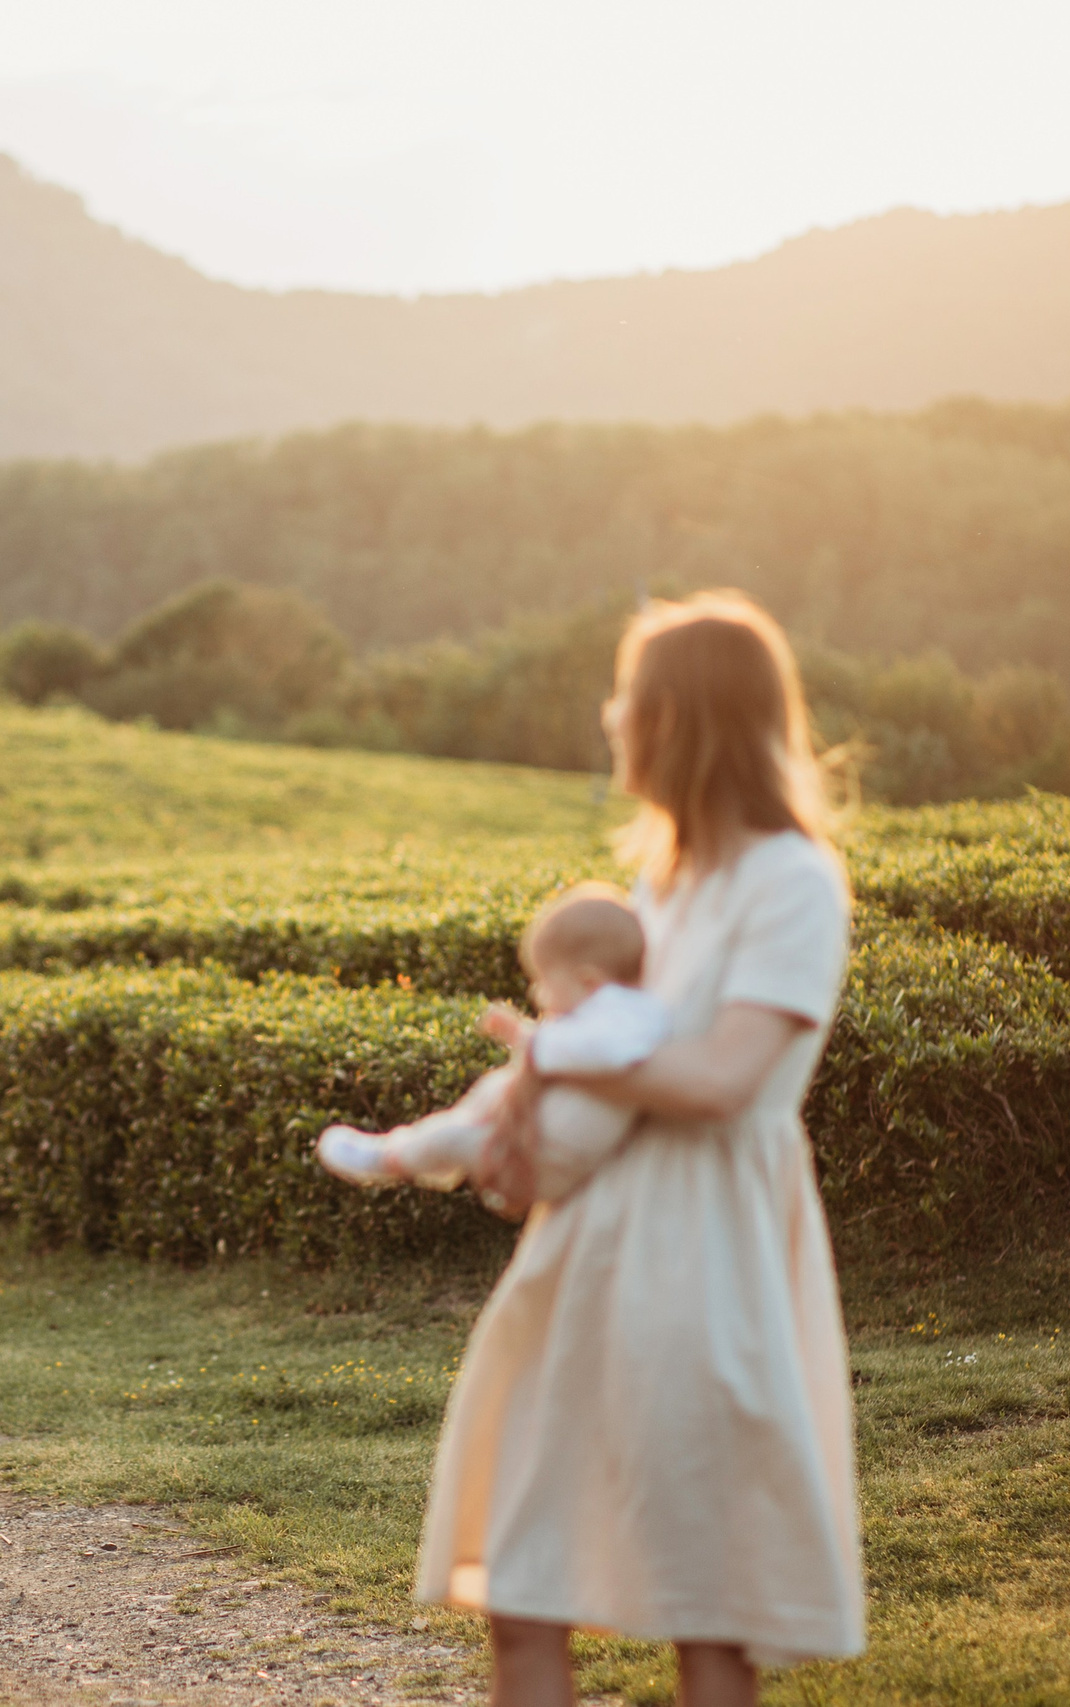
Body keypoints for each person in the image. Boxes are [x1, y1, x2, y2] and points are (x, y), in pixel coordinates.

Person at [418, 592, 864, 1707]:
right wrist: (524, 1130)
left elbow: (721, 1081)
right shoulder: (660, 885)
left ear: (676, 717)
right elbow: (616, 1066)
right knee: (522, 1582)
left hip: (707, 1250)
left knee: (706, 1609)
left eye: (629, 696)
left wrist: (551, 1056)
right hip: (588, 1245)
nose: (611, 716)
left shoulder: (793, 881)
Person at [315, 883, 667, 1197]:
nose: (538, 994)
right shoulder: (611, 1010)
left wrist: (525, 1037)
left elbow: (595, 1052)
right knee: (490, 1091)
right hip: (542, 1139)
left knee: (455, 1138)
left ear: (589, 981)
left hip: (550, 1157)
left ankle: (391, 1159)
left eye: (546, 983)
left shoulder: (626, 1017)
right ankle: (427, 1152)